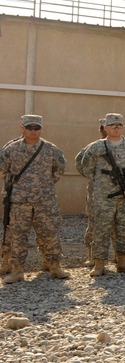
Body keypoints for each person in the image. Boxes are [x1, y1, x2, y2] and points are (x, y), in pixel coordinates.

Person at [0, 115, 69, 283]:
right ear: (22, 128)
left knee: (50, 233)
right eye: (29, 127)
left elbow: (60, 168)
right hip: (19, 201)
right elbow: (2, 170)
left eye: (36, 128)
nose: (33, 131)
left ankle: (54, 266)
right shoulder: (11, 149)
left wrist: (44, 184)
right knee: (18, 236)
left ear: (41, 129)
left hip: (45, 200)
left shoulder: (51, 149)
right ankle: (17, 270)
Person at [75, 113, 125, 276]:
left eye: (119, 125)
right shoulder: (97, 147)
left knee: (124, 229)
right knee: (101, 229)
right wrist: (100, 183)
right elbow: (86, 167)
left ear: (123, 127)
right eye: (112, 125)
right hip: (104, 197)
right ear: (105, 128)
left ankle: (123, 262)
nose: (116, 128)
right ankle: (99, 264)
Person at [76, 117, 107, 266]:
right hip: (97, 191)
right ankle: (92, 255)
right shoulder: (93, 147)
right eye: (103, 127)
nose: (105, 130)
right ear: (101, 129)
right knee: (94, 223)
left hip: (118, 192)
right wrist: (93, 177)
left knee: (117, 224)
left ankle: (118, 256)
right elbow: (80, 162)